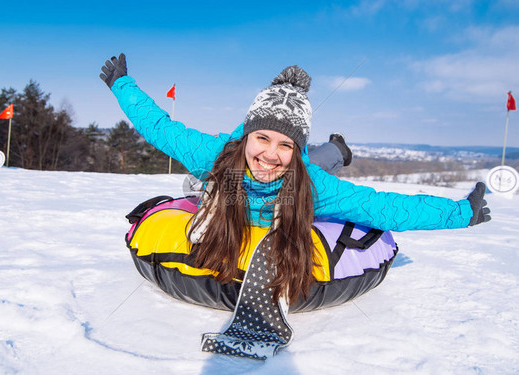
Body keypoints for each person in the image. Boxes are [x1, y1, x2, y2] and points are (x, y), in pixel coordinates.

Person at [100, 53, 490, 306]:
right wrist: (123, 85)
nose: (270, 153)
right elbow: (160, 129)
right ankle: (335, 150)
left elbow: (385, 206)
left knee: (315, 166)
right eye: (262, 138)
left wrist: (460, 212)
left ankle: (336, 151)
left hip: (307, 175)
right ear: (246, 136)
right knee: (220, 180)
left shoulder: (313, 185)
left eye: (286, 144)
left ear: (296, 149)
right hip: (227, 188)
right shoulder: (214, 155)